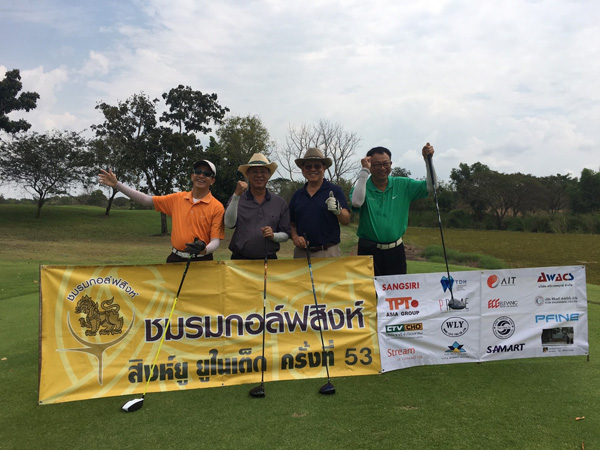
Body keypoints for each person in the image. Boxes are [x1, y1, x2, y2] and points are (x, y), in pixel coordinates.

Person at [98, 160, 225, 262]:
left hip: (203, 261)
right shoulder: (178, 198)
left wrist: (204, 250)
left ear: (212, 180)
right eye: (198, 172)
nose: (201, 176)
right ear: (192, 176)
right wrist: (117, 185)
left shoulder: (217, 207)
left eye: (207, 174)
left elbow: (215, 241)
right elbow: (146, 200)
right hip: (175, 258)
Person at [350, 143, 437, 276]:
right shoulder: (361, 187)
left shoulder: (403, 184)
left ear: (391, 164)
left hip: (395, 251)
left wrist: (427, 160)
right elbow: (356, 202)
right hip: (368, 250)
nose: (382, 168)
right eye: (376, 164)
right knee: (369, 288)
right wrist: (364, 171)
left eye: (386, 164)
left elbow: (431, 187)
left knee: (397, 289)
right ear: (370, 165)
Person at [224, 153, 291, 259]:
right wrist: (236, 195)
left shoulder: (279, 203)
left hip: (269, 260)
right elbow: (229, 224)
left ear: (269, 175)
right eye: (254, 171)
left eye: (263, 172)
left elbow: (286, 234)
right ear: (247, 174)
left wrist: (274, 236)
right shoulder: (237, 199)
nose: (259, 175)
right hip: (239, 260)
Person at [289, 147, 351, 259]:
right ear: (303, 170)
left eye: (317, 166)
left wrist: (339, 211)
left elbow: (346, 220)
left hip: (328, 252)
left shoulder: (335, 191)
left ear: (324, 168)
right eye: (308, 166)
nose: (313, 169)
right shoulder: (297, 195)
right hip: (302, 254)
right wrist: (295, 237)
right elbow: (291, 224)